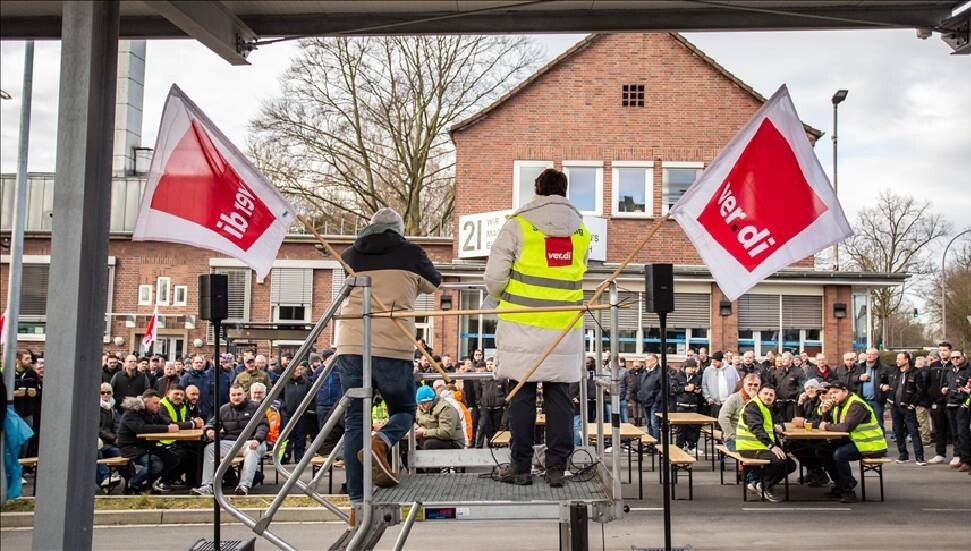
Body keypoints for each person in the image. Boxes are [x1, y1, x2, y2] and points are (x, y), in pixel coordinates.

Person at [332, 206, 441, 534]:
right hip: (392, 345)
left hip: (351, 343)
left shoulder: (350, 254)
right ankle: (381, 442)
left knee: (355, 420)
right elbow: (433, 284)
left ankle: (357, 501)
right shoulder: (411, 253)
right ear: (399, 229)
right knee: (405, 411)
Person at [484, 168, 591, 488]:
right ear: (565, 191)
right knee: (560, 397)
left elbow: (494, 277)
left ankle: (520, 467)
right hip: (564, 327)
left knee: (522, 395)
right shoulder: (581, 231)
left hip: (522, 325)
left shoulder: (517, 225)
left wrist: (497, 296)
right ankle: (557, 467)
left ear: (537, 190)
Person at [192, 384, 269, 496]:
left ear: (245, 395)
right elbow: (211, 422)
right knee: (209, 449)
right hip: (231, 443)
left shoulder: (256, 406)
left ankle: (243, 485)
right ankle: (207, 486)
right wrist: (209, 429)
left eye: (239, 394)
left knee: (252, 450)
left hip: (251, 441)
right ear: (229, 396)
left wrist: (257, 439)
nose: (236, 397)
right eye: (233, 395)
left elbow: (263, 425)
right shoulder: (224, 409)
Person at [819, 382, 888, 502]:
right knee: (822, 450)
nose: (833, 396)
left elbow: (846, 427)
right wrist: (825, 411)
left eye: (835, 392)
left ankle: (848, 490)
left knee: (839, 454)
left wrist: (825, 426)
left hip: (870, 445)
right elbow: (832, 424)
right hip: (854, 441)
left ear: (845, 391)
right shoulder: (839, 404)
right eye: (831, 393)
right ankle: (840, 484)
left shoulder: (856, 404)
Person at [735, 386, 796, 502]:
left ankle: (759, 483)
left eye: (771, 395)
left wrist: (777, 426)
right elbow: (756, 428)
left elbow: (775, 422)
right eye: (765, 394)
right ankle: (764, 486)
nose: (768, 397)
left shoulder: (767, 407)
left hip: (761, 446)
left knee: (791, 465)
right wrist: (772, 446)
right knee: (780, 461)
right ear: (759, 394)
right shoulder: (753, 407)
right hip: (749, 447)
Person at [116, 390, 180, 493]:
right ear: (145, 402)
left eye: (159, 403)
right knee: (155, 464)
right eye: (155, 403)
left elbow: (170, 423)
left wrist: (192, 424)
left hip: (147, 446)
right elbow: (142, 428)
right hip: (131, 448)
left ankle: (147, 485)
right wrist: (167, 428)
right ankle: (133, 484)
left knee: (172, 459)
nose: (158, 406)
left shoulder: (153, 413)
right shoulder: (132, 413)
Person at [157, 384, 205, 489]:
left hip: (178, 441)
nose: (179, 397)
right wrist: (193, 424)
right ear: (168, 393)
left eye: (182, 395)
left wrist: (197, 422)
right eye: (176, 394)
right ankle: (164, 480)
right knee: (182, 455)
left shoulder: (183, 406)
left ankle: (190, 482)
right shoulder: (162, 405)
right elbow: (170, 424)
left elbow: (185, 422)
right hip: (161, 442)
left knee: (197, 453)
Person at [882, 352, 924, 465]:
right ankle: (903, 455)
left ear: (906, 360)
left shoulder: (916, 372)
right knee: (899, 432)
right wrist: (883, 387)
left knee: (913, 431)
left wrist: (913, 404)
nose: (897, 360)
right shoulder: (893, 371)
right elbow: (882, 381)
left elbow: (920, 391)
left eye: (899, 358)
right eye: (897, 358)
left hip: (908, 407)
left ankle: (919, 457)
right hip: (895, 406)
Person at [941, 348, 970, 471]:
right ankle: (960, 458)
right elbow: (946, 384)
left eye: (957, 357)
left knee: (963, 433)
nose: (955, 360)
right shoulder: (950, 370)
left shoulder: (968, 370)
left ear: (963, 357)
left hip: (963, 406)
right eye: (952, 358)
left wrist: (966, 391)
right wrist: (944, 389)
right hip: (950, 404)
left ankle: (967, 461)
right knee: (955, 434)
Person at [415, 385, 465, 453]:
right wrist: (417, 429)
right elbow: (414, 421)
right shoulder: (420, 408)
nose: (422, 406)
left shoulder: (445, 408)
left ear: (432, 400)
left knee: (429, 444)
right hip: (431, 437)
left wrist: (424, 432)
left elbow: (446, 433)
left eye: (424, 403)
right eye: (419, 403)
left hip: (453, 441)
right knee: (406, 443)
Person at [851, 348, 887, 434]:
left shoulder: (884, 368)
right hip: (862, 400)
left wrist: (885, 387)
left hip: (877, 400)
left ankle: (881, 440)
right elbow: (852, 378)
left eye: (871, 354)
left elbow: (889, 382)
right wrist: (859, 378)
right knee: (862, 422)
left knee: (878, 422)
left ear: (877, 356)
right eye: (867, 354)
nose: (869, 356)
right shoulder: (859, 366)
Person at [96, 383, 122, 489]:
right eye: (102, 393)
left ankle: (133, 481)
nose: (106, 395)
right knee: (98, 453)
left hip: (110, 443)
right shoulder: (96, 407)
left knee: (121, 454)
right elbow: (98, 429)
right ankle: (105, 478)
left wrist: (118, 436)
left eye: (108, 392)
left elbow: (116, 425)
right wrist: (114, 438)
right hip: (99, 442)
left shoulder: (112, 407)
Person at [702, 351, 738, 419]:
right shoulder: (708, 370)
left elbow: (737, 383)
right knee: (716, 422)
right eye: (712, 361)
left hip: (729, 402)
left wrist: (733, 397)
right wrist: (708, 398)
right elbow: (704, 385)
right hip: (715, 403)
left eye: (715, 362)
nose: (713, 363)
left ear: (721, 361)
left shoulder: (732, 369)